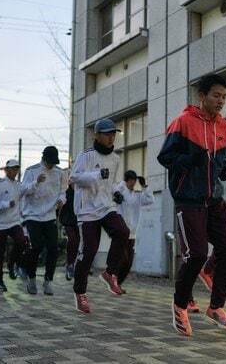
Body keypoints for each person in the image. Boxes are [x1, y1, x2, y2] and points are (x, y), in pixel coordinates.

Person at [157, 73, 226, 336]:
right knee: (198, 253)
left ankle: (216, 307)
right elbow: (165, 156)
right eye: (216, 96)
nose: (221, 101)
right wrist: (188, 159)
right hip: (188, 198)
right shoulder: (182, 122)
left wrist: (223, 171)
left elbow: (220, 160)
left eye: (224, 96)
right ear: (202, 97)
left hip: (214, 198)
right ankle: (180, 305)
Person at [70, 118, 130, 313]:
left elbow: (110, 182)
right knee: (88, 252)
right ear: (97, 135)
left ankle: (110, 273)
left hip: (106, 206)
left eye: (114, 134)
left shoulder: (116, 158)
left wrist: (116, 193)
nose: (112, 138)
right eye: (107, 134)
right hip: (87, 209)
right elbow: (74, 177)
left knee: (122, 231)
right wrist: (96, 175)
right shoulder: (86, 155)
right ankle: (80, 293)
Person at [0, 159, 41, 292]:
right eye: (12, 168)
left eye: (17, 168)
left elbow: (28, 190)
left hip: (14, 222)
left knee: (22, 241)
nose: (14, 171)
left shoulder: (19, 185)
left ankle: (12, 264)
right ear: (6, 169)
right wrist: (5, 204)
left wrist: (37, 182)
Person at [22, 146, 66, 295]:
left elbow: (62, 191)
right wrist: (36, 182)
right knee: (36, 247)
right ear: (43, 158)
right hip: (33, 215)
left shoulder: (59, 172)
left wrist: (61, 200)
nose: (51, 165)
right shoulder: (31, 170)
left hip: (50, 215)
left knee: (53, 248)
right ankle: (31, 278)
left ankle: (48, 281)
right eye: (49, 162)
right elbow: (23, 190)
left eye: (54, 162)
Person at [114, 170, 154, 292]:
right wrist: (121, 186)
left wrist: (145, 187)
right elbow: (114, 190)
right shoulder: (120, 193)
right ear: (126, 180)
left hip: (132, 233)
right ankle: (112, 278)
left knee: (129, 263)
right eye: (130, 180)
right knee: (123, 258)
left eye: (134, 180)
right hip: (121, 231)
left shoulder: (137, 195)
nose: (133, 182)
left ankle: (118, 284)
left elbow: (150, 200)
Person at [59, 181, 79, 281]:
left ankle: (75, 264)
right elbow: (60, 207)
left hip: (79, 222)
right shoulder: (66, 193)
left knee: (80, 244)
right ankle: (70, 264)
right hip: (68, 222)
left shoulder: (82, 193)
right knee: (73, 240)